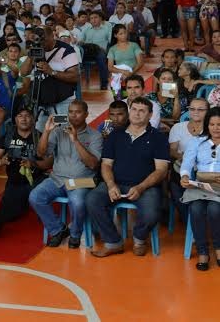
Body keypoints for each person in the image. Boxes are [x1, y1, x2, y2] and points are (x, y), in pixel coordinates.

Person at [86, 97, 170, 257]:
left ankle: (139, 238)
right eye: (134, 109)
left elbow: (161, 171)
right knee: (92, 200)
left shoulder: (158, 138)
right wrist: (110, 185)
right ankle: (113, 242)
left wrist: (141, 187)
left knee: (152, 212)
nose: (137, 114)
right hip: (116, 183)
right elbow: (106, 165)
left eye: (142, 111)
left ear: (150, 114)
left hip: (145, 186)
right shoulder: (115, 135)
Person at [30, 101, 102, 248]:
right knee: (35, 197)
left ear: (86, 115)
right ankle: (58, 230)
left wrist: (75, 140)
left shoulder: (95, 136)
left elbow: (93, 164)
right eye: (70, 112)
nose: (73, 115)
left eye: (78, 112)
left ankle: (75, 234)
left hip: (82, 181)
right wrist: (47, 131)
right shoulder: (58, 131)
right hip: (57, 179)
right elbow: (41, 153)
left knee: (77, 202)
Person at [0, 107, 51, 232]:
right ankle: (23, 203)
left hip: (36, 181)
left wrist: (33, 163)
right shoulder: (8, 137)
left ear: (33, 120)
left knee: (41, 214)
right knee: (6, 216)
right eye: (20, 116)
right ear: (15, 120)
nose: (24, 119)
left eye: (27, 116)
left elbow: (49, 163)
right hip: (15, 182)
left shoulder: (40, 137)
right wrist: (1, 161)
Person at [179, 106, 220, 271]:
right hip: (200, 185)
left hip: (218, 187)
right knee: (195, 209)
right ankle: (203, 251)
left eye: (219, 124)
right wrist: (185, 176)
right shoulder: (197, 141)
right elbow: (187, 162)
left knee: (214, 210)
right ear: (207, 125)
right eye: (212, 125)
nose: (216, 128)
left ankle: (218, 248)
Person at [169, 98, 208, 224]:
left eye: (200, 109)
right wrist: (188, 158)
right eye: (192, 109)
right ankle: (188, 221)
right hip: (182, 166)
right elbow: (172, 150)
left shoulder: (212, 129)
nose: (196, 112)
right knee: (175, 180)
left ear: (208, 112)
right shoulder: (178, 127)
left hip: (204, 169)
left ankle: (197, 218)